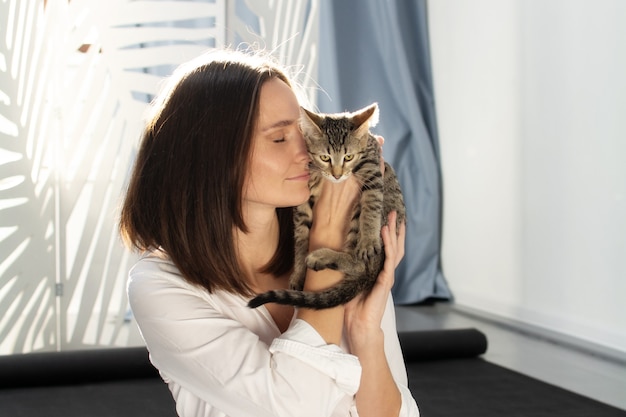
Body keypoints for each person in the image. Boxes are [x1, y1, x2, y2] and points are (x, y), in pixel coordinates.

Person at [119, 48, 419, 417]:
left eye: (305, 133)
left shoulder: (351, 250)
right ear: (212, 158)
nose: (308, 153)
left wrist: (365, 333)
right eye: (279, 139)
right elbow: (294, 407)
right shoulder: (160, 287)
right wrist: (326, 238)